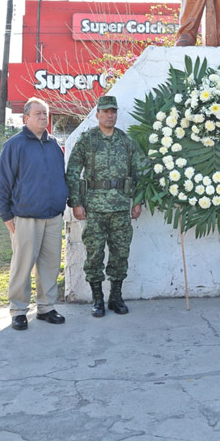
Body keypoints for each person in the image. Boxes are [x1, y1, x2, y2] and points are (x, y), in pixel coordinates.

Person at [0, 98, 69, 330]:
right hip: (24, 218)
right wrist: (6, 215)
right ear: (26, 118)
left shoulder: (54, 144)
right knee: (22, 266)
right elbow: (1, 182)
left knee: (50, 265)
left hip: (53, 217)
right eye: (38, 114)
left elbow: (60, 178)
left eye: (45, 113)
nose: (43, 117)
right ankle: (18, 310)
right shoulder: (14, 145)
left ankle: (46, 307)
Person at [66, 95, 142, 317]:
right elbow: (72, 172)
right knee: (95, 255)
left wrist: (137, 201)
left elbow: (138, 172)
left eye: (113, 112)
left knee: (120, 254)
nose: (110, 115)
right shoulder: (87, 140)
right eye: (106, 111)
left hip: (120, 208)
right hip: (94, 209)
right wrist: (76, 203)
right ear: (97, 114)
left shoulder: (126, 142)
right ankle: (97, 300)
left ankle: (115, 298)